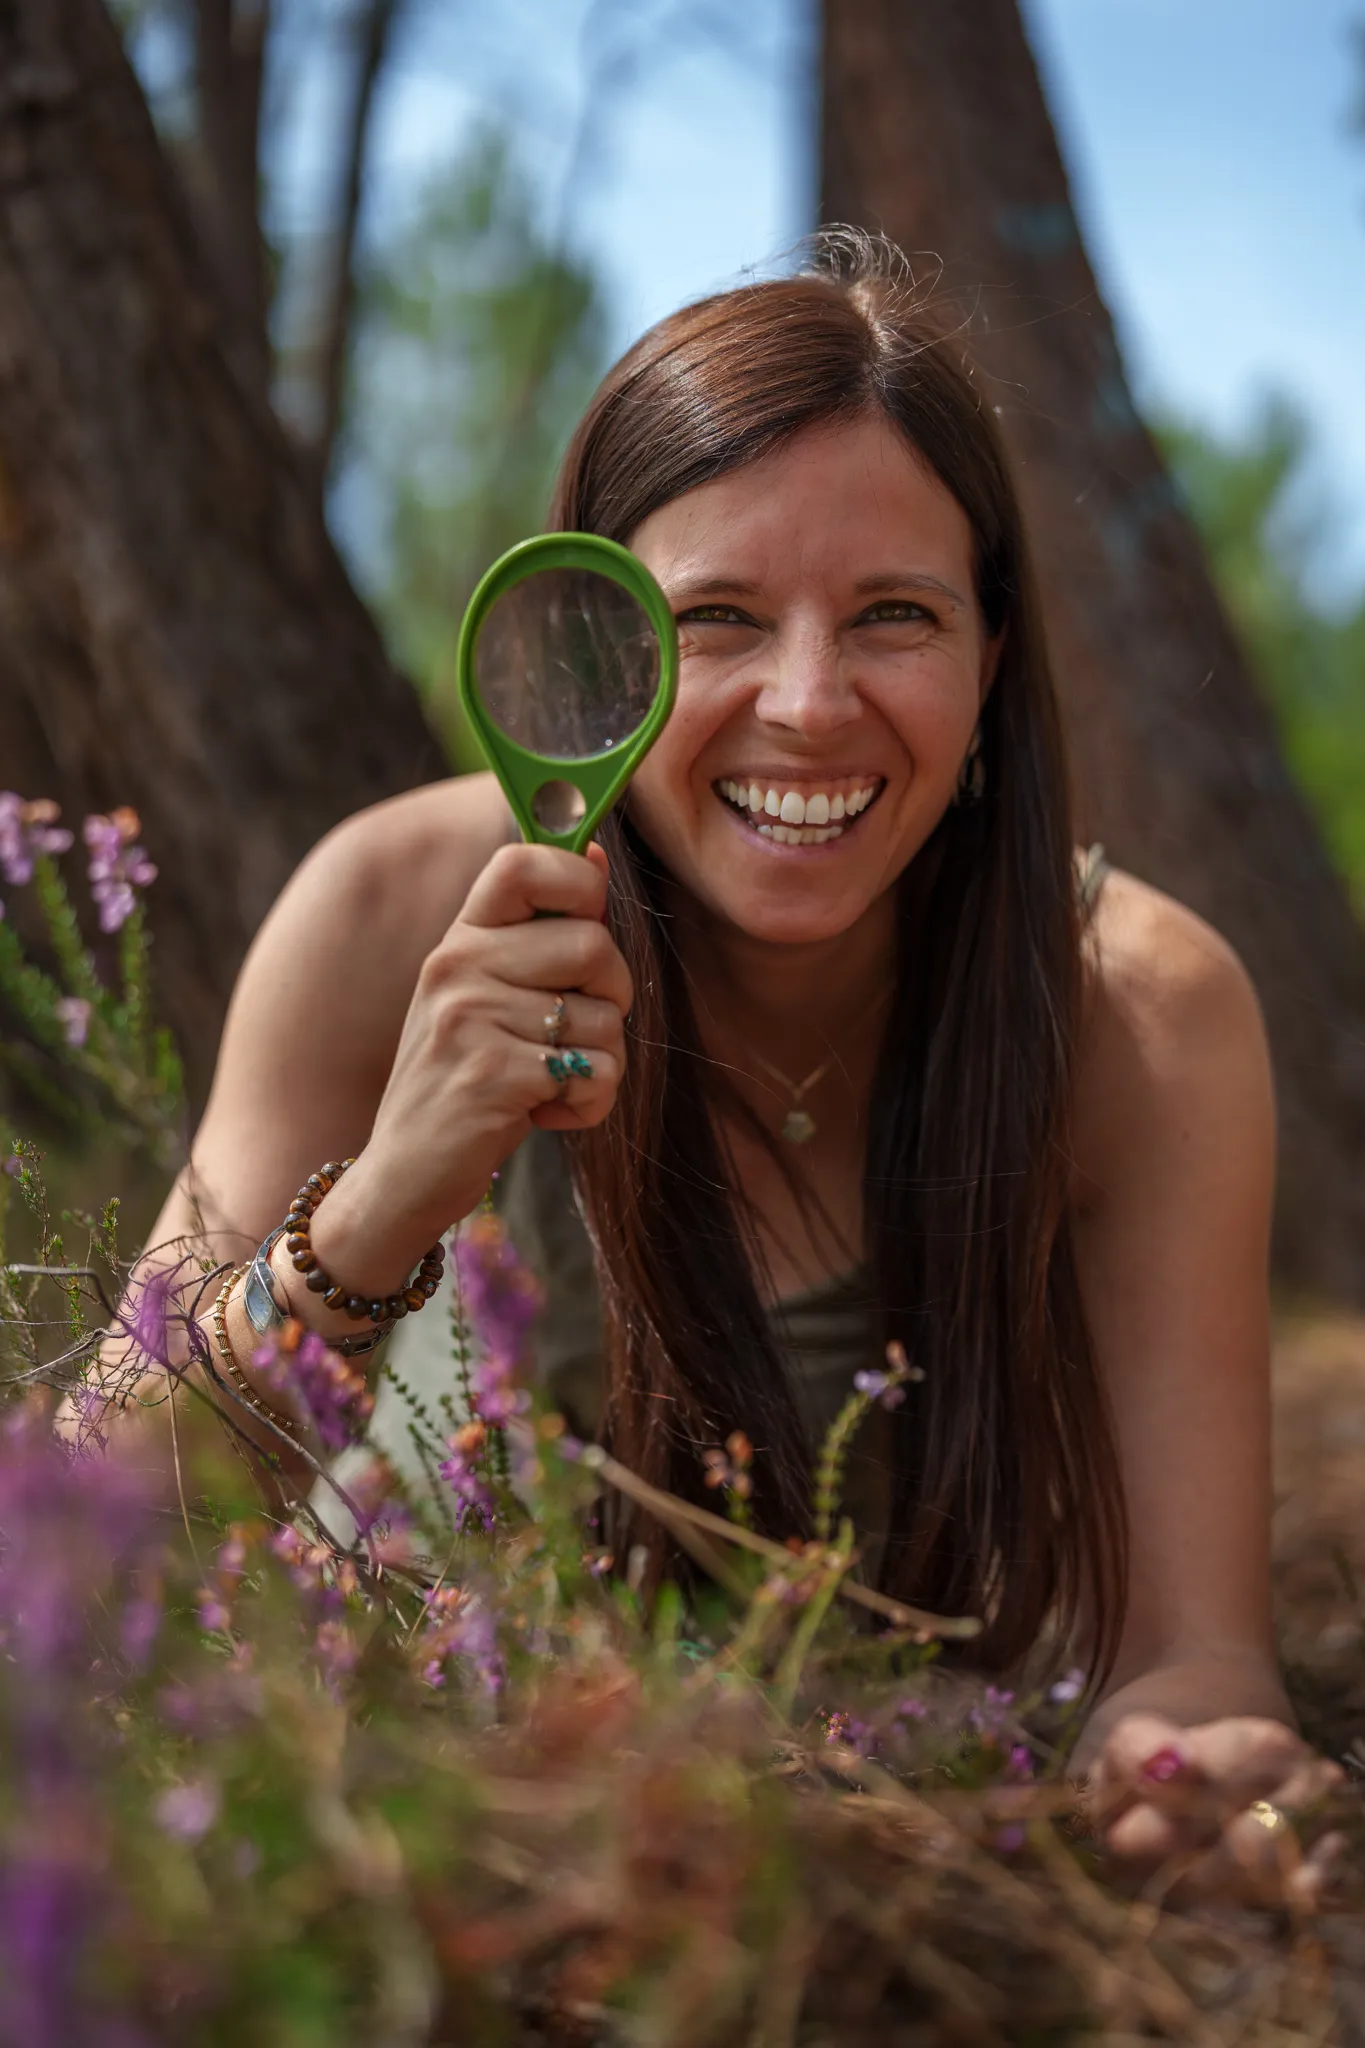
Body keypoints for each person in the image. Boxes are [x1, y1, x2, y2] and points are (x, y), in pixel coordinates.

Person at [135, 234, 1337, 1893]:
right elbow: (79, 1517)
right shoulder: (384, 915)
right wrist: (379, 1210)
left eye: (895, 615)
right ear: (589, 653)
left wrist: (1194, 1779)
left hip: (926, 1878)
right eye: (714, 618)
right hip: (443, 1854)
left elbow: (1192, 1659)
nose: (808, 701)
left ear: (993, 661)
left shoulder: (1139, 1016)